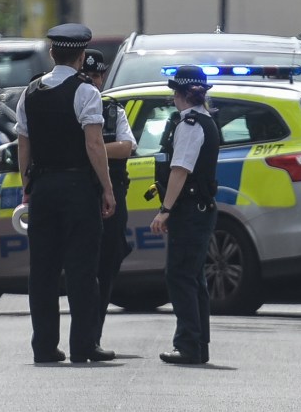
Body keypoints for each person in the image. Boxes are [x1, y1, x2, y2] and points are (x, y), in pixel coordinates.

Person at [15, 23, 116, 364]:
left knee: (42, 271)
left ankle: (44, 346)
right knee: (81, 270)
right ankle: (83, 346)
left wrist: (27, 188)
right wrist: (107, 188)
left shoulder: (30, 93)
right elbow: (94, 144)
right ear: (82, 56)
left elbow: (23, 147)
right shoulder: (85, 92)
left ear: (51, 53)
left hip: (42, 188)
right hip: (77, 189)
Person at [149, 65, 220, 365]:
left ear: (179, 94)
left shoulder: (189, 125)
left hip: (190, 210)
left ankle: (189, 344)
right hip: (200, 210)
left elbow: (180, 170)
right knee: (193, 278)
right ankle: (197, 344)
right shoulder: (205, 121)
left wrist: (165, 210)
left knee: (179, 276)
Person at [80, 49, 137, 353]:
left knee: (107, 266)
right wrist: (102, 148)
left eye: (97, 75)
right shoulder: (71, 106)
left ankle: (94, 336)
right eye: (87, 76)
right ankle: (85, 338)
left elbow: (127, 147)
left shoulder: (113, 111)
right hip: (82, 196)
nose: (92, 80)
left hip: (112, 197)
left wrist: (92, 147)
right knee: (84, 269)